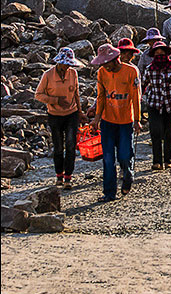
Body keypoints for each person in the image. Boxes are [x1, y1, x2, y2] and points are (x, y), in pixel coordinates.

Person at [90, 44, 141, 202]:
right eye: (102, 63)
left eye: (107, 63)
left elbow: (135, 98)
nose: (105, 66)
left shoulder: (131, 72)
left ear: (115, 59)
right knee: (108, 158)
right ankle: (109, 192)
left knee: (125, 156)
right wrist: (96, 119)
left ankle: (128, 175)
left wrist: (137, 120)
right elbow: (101, 97)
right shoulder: (102, 73)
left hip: (126, 121)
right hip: (107, 121)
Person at [35, 47, 86, 189]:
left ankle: (68, 177)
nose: (68, 66)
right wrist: (56, 100)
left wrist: (80, 112)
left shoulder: (73, 74)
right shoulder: (48, 75)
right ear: (59, 63)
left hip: (72, 114)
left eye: (70, 64)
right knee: (58, 148)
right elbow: (38, 95)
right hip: (54, 115)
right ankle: (59, 175)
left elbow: (76, 94)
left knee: (70, 146)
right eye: (66, 64)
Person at [141, 41, 171, 170]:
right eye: (157, 53)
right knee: (155, 132)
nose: (159, 55)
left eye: (162, 52)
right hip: (154, 104)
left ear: (166, 53)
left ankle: (168, 160)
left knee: (168, 133)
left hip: (170, 104)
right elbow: (143, 85)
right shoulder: (149, 69)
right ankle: (157, 161)